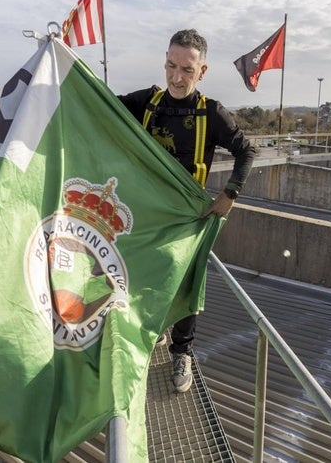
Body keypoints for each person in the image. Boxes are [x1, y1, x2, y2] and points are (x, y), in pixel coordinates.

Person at [118, 29, 256, 393]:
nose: (177, 77)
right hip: (146, 213)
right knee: (143, 278)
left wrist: (230, 194)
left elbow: (247, 152)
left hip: (188, 218)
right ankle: (151, 334)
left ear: (203, 71)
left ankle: (182, 352)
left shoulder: (211, 113)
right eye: (170, 66)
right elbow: (100, 106)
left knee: (186, 285)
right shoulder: (147, 101)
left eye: (187, 70)